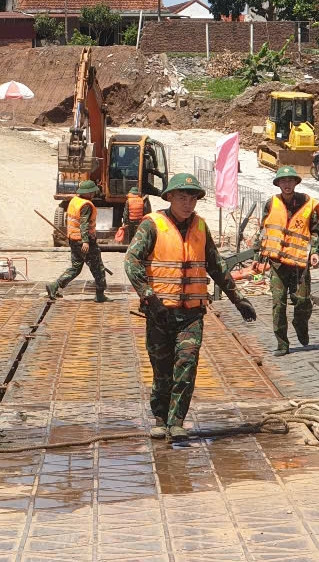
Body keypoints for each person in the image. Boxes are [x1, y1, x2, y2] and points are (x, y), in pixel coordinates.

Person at [125, 173, 257, 441]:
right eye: (182, 197)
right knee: (162, 370)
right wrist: (149, 296)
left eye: (193, 198)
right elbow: (132, 261)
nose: (188, 204)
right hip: (159, 312)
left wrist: (237, 298)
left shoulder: (200, 227)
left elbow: (216, 266)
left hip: (191, 315)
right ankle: (160, 417)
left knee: (186, 363)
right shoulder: (152, 226)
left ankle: (177, 421)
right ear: (170, 197)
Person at [254, 165, 319, 356]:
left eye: (290, 181)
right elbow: (263, 231)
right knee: (278, 304)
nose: (287, 184)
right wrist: (257, 257)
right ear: (278, 184)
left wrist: (315, 252)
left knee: (303, 302)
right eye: (283, 181)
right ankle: (282, 344)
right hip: (277, 264)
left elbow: (317, 232)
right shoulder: (271, 204)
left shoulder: (308, 204)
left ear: (296, 183)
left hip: (299, 264)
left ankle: (300, 323)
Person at [46, 180, 108, 302]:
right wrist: (86, 241)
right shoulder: (86, 205)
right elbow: (83, 224)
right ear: (89, 193)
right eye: (92, 192)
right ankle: (100, 295)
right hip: (85, 242)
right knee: (98, 268)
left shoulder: (74, 201)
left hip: (73, 240)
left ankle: (55, 285)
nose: (93, 194)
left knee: (75, 268)